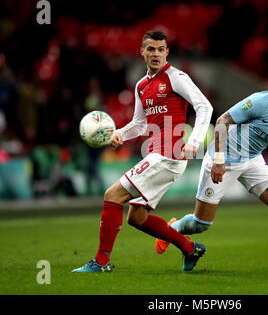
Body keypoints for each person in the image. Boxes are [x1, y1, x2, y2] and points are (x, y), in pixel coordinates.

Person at [73, 30, 213, 273]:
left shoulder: (176, 77)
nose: (156, 53)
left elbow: (204, 106)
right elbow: (139, 123)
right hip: (156, 155)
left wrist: (195, 140)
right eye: (151, 49)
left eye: (161, 49)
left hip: (169, 155)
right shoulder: (141, 85)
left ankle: (102, 262)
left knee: (112, 195)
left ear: (167, 52)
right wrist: (119, 134)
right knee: (136, 217)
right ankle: (189, 248)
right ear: (142, 52)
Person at [156, 67, 268, 273]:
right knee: (200, 224)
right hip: (222, 159)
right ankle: (172, 228)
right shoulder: (261, 102)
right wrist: (219, 161)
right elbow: (222, 121)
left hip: (253, 161)